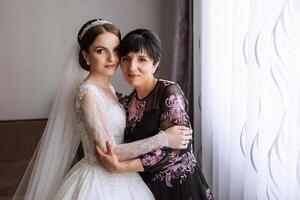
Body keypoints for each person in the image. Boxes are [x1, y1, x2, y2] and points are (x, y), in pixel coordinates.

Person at [13, 20, 192, 200]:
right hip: (98, 179)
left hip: (125, 176)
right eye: (101, 51)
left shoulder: (111, 91)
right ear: (85, 55)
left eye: (115, 50)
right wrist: (164, 139)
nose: (111, 59)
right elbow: (110, 151)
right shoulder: (87, 93)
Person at [96, 29, 214, 200]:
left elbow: (176, 150)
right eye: (126, 59)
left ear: (155, 64)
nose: (132, 67)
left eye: (141, 59)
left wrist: (123, 167)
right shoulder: (127, 103)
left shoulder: (169, 92)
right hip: (146, 189)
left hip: (180, 187)